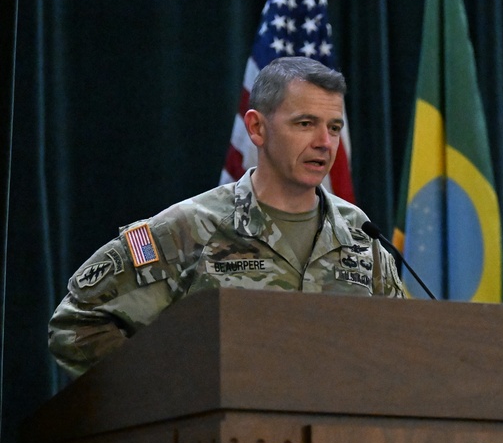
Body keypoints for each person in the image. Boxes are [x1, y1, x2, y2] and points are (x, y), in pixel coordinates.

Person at [49, 57, 404, 377]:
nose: (324, 142)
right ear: (257, 128)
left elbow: (406, 346)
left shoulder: (360, 233)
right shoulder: (191, 228)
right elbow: (77, 324)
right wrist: (167, 394)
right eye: (305, 123)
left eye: (334, 128)